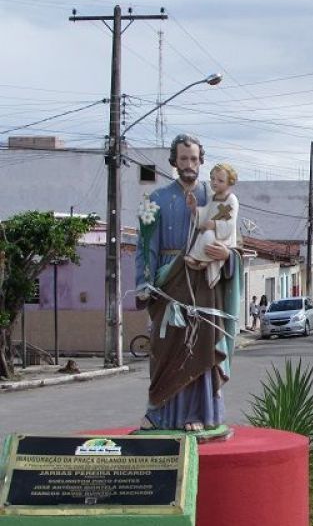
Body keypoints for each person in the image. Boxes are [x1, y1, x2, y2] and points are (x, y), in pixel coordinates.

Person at [135, 133, 243, 433]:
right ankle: (158, 414)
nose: (189, 164)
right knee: (165, 348)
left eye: (194, 158)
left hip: (204, 286)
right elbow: (146, 247)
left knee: (201, 348)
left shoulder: (216, 195)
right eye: (183, 159)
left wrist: (227, 254)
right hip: (168, 283)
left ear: (201, 160)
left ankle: (200, 412)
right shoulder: (157, 199)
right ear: (174, 161)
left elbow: (233, 240)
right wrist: (145, 285)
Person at [185, 163, 239, 289]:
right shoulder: (213, 198)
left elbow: (230, 224)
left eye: (220, 180)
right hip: (213, 234)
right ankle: (200, 259)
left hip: (224, 238)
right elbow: (205, 214)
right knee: (205, 233)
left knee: (208, 234)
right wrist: (194, 208)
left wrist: (214, 224)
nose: (215, 182)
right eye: (213, 179)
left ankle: (200, 258)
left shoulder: (231, 200)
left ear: (229, 182)